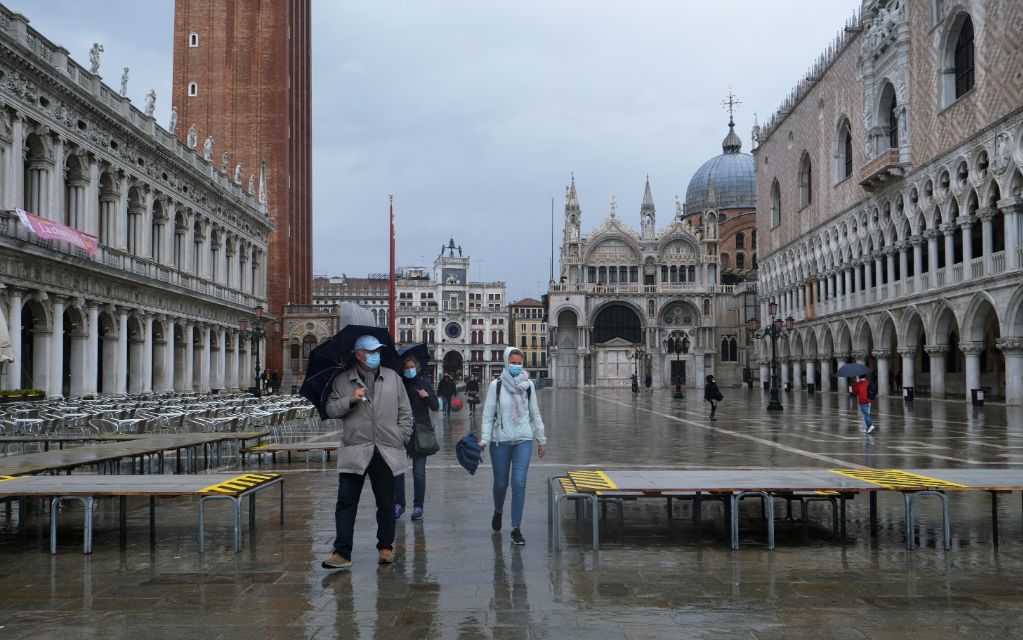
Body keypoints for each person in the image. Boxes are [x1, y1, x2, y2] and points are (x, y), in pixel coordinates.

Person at [322, 335, 413, 570]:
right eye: (371, 351)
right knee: (346, 502)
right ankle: (342, 552)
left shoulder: (392, 377)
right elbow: (331, 409)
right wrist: (349, 400)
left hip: (385, 449)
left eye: (378, 351)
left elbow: (405, 412)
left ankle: (385, 547)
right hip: (356, 449)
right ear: (358, 354)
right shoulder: (343, 380)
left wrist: (401, 436)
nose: (375, 355)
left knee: (386, 502)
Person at [481, 347, 547, 546]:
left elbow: (534, 413)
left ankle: (516, 528)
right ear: (506, 362)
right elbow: (487, 414)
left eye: (519, 363)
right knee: (501, 484)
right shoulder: (496, 386)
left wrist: (541, 439)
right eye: (513, 362)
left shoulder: (528, 386)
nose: (517, 366)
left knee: (519, 483)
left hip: (523, 440)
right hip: (500, 441)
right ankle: (498, 510)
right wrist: (484, 438)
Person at [394, 355, 439, 521]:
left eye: (411, 367)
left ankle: (418, 506)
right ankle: (399, 504)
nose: (409, 370)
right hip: (400, 432)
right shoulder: (398, 385)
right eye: (406, 368)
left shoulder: (424, 384)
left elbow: (435, 406)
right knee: (398, 471)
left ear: (417, 368)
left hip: (420, 432)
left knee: (419, 473)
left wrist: (426, 396)